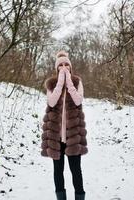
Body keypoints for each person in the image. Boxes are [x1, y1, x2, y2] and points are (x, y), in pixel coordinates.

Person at [41, 50, 88, 200]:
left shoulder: (77, 82)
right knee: (58, 171)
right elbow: (52, 101)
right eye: (60, 65)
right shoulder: (51, 84)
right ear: (56, 68)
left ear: (70, 66)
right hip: (55, 137)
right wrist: (60, 81)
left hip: (73, 136)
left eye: (66, 64)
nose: (63, 67)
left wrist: (68, 81)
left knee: (76, 171)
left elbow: (78, 100)